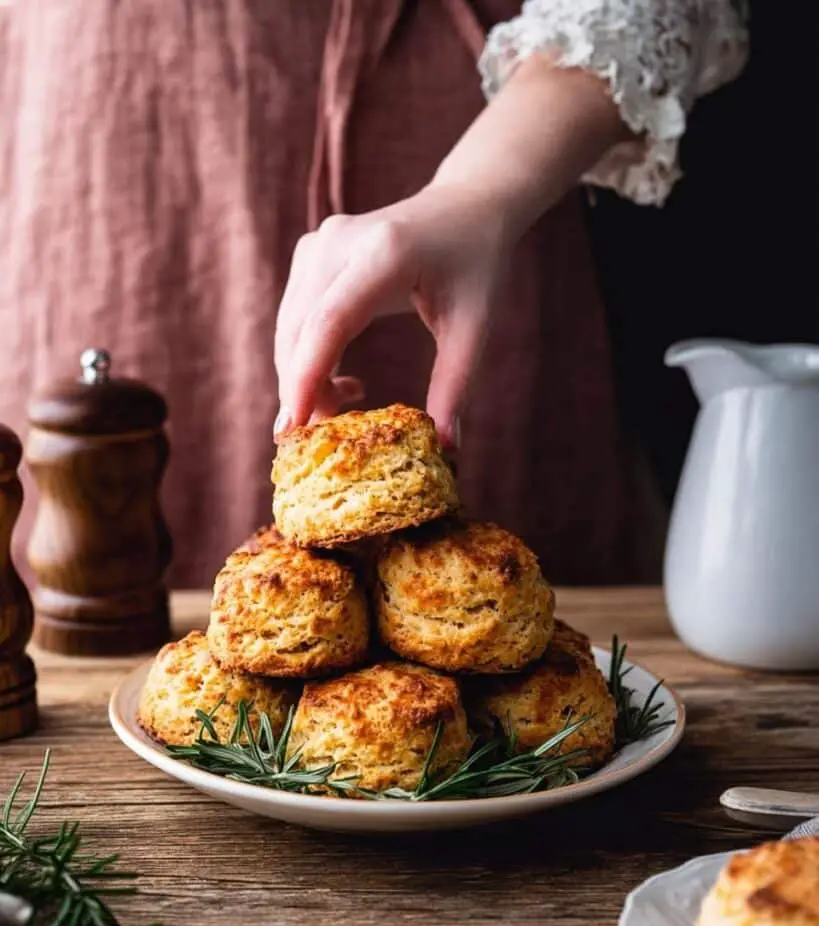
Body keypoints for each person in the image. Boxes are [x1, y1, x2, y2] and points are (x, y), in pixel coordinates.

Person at [0, 0, 747, 588]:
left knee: (499, 525)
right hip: (122, 123)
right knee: (91, 507)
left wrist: (475, 196)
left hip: (496, 123)